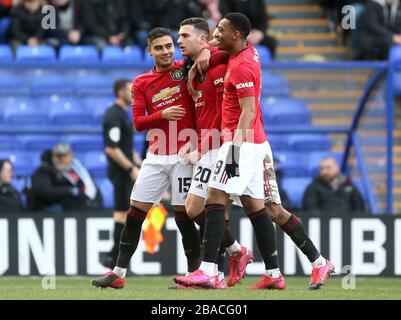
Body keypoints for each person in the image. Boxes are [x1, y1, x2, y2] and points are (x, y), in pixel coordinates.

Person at [176, 13, 334, 290]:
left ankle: (209, 270)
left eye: (220, 30)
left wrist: (234, 152)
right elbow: (216, 54)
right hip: (252, 143)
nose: (215, 35)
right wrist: (200, 62)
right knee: (266, 208)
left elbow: (248, 111)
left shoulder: (243, 66)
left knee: (215, 195)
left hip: (244, 144)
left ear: (235, 35)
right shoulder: (242, 53)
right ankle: (302, 267)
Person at [91, 27, 212, 289]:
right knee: (135, 212)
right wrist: (163, 114)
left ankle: (194, 274)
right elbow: (138, 123)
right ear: (149, 51)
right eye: (159, 48)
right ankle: (119, 273)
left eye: (169, 45)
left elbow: (212, 52)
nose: (166, 51)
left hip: (184, 154)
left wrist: (205, 51)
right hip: (156, 156)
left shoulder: (186, 68)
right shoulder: (141, 83)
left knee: (183, 216)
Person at [177, 17, 252, 289]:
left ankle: (217, 271)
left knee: (256, 207)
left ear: (203, 38)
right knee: (198, 208)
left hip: (223, 146)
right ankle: (235, 254)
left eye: (184, 36)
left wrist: (227, 146)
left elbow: (228, 112)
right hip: (206, 146)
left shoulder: (222, 65)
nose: (179, 41)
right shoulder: (191, 68)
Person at [100, 79, 142, 269]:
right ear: (119, 92)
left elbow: (125, 147)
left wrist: (139, 163)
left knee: (125, 213)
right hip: (120, 174)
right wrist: (130, 168)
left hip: (126, 171)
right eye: (129, 89)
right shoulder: (113, 115)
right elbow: (112, 149)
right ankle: (114, 258)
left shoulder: (123, 114)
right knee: (121, 214)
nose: (132, 93)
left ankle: (114, 258)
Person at [30, 143, 102, 213]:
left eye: (65, 155)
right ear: (52, 157)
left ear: (71, 156)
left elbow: (91, 189)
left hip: (82, 211)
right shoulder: (44, 170)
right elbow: (43, 190)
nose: (62, 159)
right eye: (58, 156)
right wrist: (70, 191)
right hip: (56, 213)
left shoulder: (79, 171)